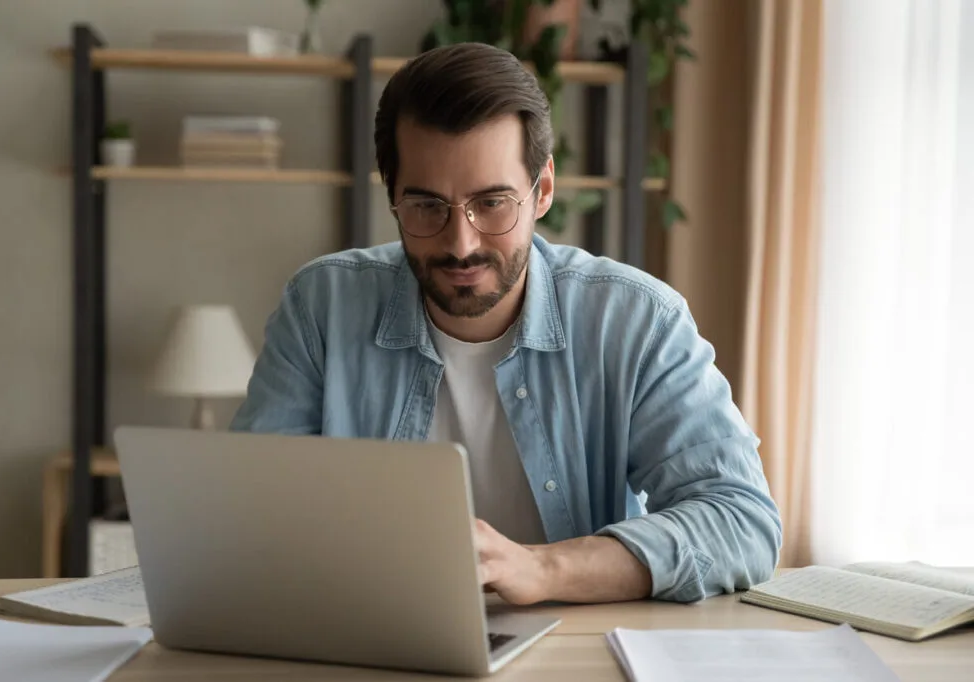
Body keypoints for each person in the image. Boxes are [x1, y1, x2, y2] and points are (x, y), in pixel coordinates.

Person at [231, 42, 782, 605]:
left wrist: (542, 569)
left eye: (492, 203)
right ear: (393, 195)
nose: (460, 242)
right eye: (427, 206)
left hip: (575, 648)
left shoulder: (637, 320)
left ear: (542, 190)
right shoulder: (321, 306)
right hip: (369, 634)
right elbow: (250, 512)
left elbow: (741, 522)